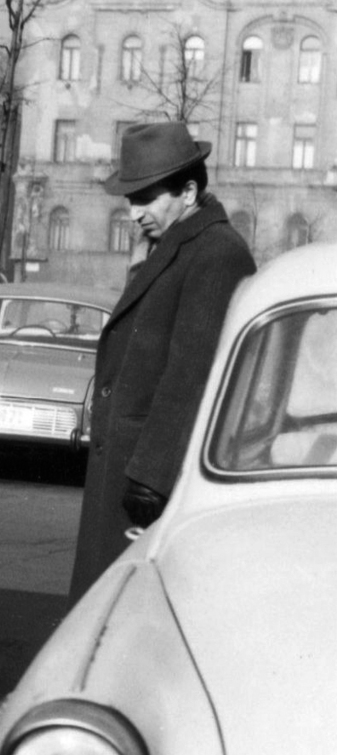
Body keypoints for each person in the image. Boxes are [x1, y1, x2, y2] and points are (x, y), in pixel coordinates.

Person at [68, 122, 255, 600]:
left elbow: (191, 373)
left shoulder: (217, 253)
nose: (134, 213)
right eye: (130, 201)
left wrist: (152, 476)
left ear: (189, 191)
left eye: (146, 199)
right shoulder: (172, 246)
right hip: (128, 470)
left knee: (127, 616)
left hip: (147, 484)